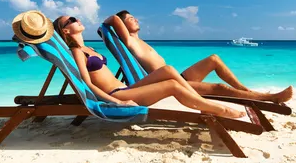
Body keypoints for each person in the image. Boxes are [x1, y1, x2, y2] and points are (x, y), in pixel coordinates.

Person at [52, 14, 245, 119]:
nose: (77, 19)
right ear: (66, 31)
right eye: (71, 20)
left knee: (168, 71)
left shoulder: (90, 48)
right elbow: (87, 84)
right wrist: (117, 102)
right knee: (172, 85)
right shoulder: (78, 52)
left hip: (125, 88)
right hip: (116, 94)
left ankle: (204, 105)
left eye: (75, 17)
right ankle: (215, 108)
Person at [103, 11, 293, 103]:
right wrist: (116, 20)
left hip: (180, 77)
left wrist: (125, 18)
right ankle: (269, 98)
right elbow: (112, 19)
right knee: (219, 88)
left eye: (134, 17)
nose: (135, 19)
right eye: (130, 18)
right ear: (123, 26)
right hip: (171, 81)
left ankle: (246, 90)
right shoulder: (129, 41)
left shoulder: (140, 40)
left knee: (214, 58)